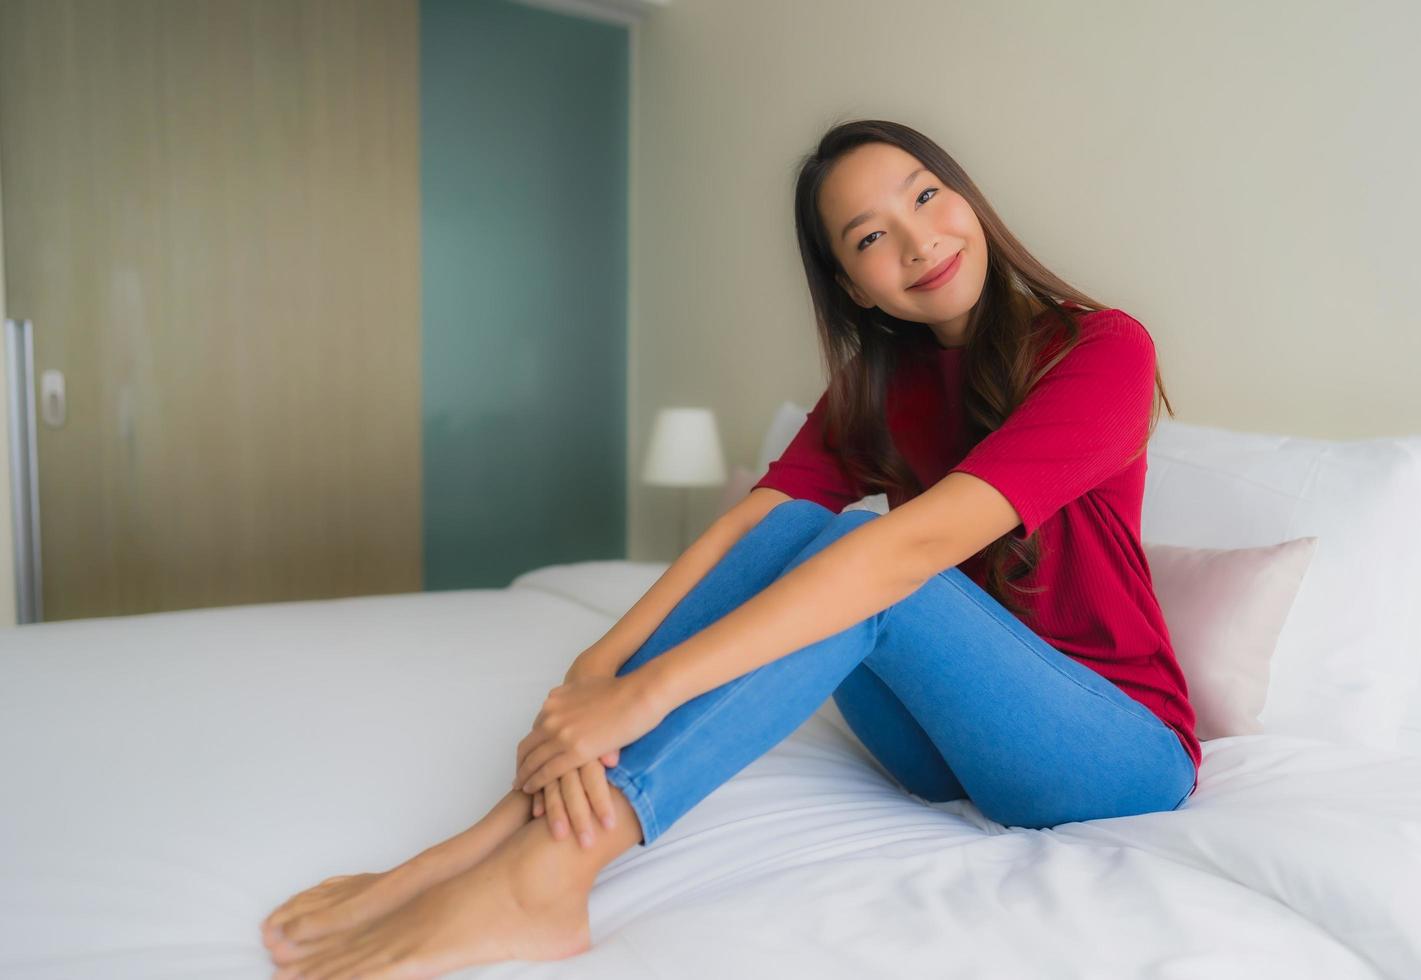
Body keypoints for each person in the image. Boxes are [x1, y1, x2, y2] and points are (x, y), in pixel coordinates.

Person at [258, 118, 1199, 979]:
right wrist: (598, 665)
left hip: (1114, 752)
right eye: (869, 236)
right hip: (947, 748)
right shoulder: (880, 388)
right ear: (849, 283)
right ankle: (487, 842)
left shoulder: (1101, 350)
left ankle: (552, 874)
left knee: (870, 560)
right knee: (801, 530)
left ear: (965, 197)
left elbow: (908, 556)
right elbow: (751, 526)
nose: (918, 241)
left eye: (925, 195)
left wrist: (643, 692)